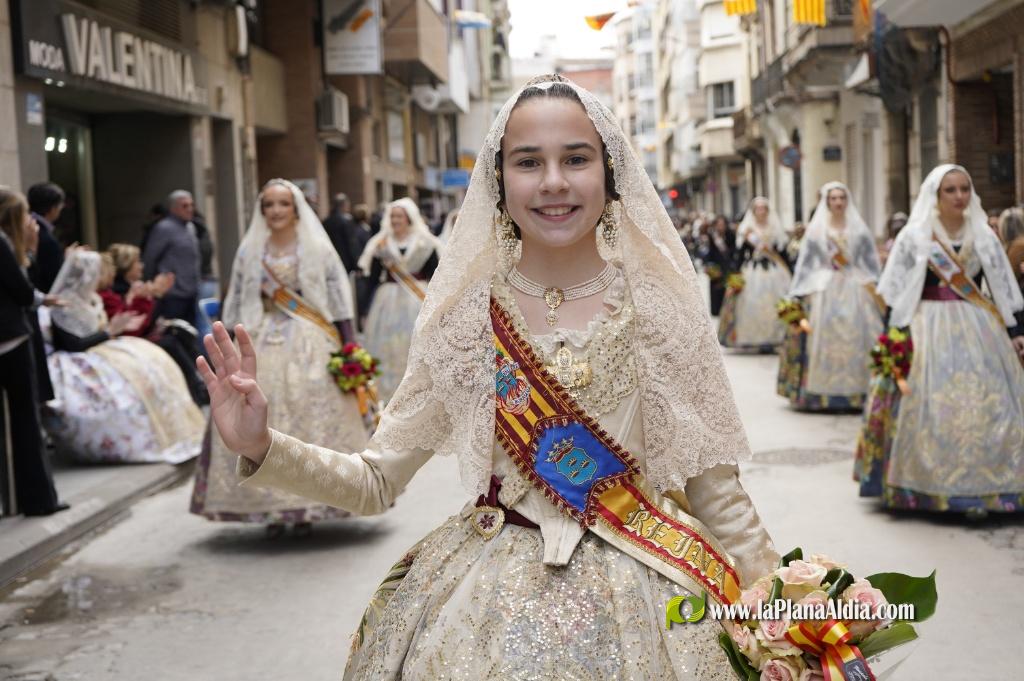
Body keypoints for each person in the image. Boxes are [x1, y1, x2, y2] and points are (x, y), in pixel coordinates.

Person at [198, 75, 778, 679]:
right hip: (483, 608)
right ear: (499, 182)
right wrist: (263, 446)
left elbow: (719, 495)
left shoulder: (661, 312)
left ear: (610, 173)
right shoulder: (464, 321)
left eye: (575, 159)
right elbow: (374, 482)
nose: (553, 182)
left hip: (647, 593)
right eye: (529, 162)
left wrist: (790, 617)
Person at [189, 179, 367, 535]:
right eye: (269, 204)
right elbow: (237, 298)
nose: (275, 211)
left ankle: (311, 499)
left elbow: (336, 295)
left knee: (309, 412)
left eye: (283, 204)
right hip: (261, 336)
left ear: (296, 208)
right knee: (256, 411)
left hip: (309, 337)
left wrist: (349, 345)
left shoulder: (316, 246)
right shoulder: (250, 251)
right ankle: (269, 505)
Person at [855, 165, 1024, 515]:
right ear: (936, 194)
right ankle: (923, 485)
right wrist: (893, 337)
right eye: (951, 190)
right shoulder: (915, 235)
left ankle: (993, 485)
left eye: (965, 188)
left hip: (978, 327)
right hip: (924, 326)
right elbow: (895, 288)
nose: (959, 196)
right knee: (927, 402)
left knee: (988, 403)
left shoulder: (983, 234)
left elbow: (1002, 287)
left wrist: (1015, 331)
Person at [43, 250, 205, 464]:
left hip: (103, 347)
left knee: (153, 363)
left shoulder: (89, 299)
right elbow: (75, 344)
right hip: (80, 357)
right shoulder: (64, 305)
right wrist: (109, 331)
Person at [777, 182, 884, 411]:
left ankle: (860, 392)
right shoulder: (817, 232)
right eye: (833, 198)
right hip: (825, 288)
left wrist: (874, 284)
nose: (838, 202)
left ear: (847, 201)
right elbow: (806, 265)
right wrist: (798, 293)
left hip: (855, 287)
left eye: (842, 198)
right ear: (827, 202)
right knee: (821, 335)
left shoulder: (859, 230)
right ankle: (821, 393)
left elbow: (869, 262)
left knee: (860, 334)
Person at [0, 187, 66, 516]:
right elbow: (24, 292)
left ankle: (13, 498)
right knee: (26, 419)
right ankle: (39, 499)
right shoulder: (4, 244)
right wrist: (31, 251)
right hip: (11, 340)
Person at [357, 198, 443, 403]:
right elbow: (371, 279)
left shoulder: (425, 242)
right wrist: (364, 308)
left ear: (409, 218)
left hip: (417, 299)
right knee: (387, 345)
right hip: (387, 302)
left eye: (399, 216)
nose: (395, 220)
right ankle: (388, 392)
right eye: (392, 216)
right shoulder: (381, 244)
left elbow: (435, 275)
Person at [103, 243, 208, 405]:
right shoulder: (119, 290)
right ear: (126, 266)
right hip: (131, 339)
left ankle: (200, 380)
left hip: (139, 334)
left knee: (180, 333)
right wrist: (156, 295)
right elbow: (139, 324)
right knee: (171, 342)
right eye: (137, 262)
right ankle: (197, 388)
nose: (141, 266)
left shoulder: (130, 287)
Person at [718, 197, 792, 352]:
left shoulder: (775, 228)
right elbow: (740, 255)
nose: (761, 211)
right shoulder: (747, 230)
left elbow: (781, 252)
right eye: (757, 208)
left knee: (776, 304)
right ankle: (754, 338)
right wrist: (735, 276)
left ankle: (775, 337)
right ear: (753, 211)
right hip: (752, 271)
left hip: (774, 271)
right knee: (751, 304)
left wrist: (790, 271)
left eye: (763, 208)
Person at [142, 190, 201, 325]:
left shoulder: (191, 227)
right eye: (184, 206)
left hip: (191, 291)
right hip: (172, 294)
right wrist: (152, 286)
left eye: (191, 205)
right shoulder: (164, 228)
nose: (190, 209)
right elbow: (150, 258)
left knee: (190, 333)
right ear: (173, 208)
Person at [700, 214, 736, 316]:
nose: (720, 227)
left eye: (722, 224)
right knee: (716, 289)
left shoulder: (730, 235)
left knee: (727, 289)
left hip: (728, 266)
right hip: (716, 266)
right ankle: (716, 310)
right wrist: (707, 265)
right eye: (718, 224)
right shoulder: (712, 236)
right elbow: (710, 251)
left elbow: (734, 250)